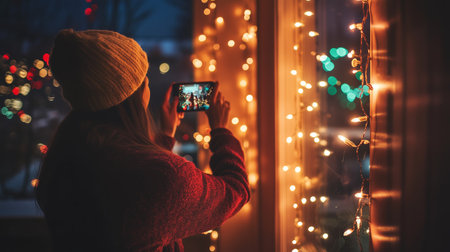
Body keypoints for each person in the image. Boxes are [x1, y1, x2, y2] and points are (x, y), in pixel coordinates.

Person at [35, 29, 249, 252]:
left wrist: (165, 137)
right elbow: (235, 191)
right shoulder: (164, 177)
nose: (148, 83)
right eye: (142, 78)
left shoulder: (68, 152)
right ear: (131, 95)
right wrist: (221, 131)